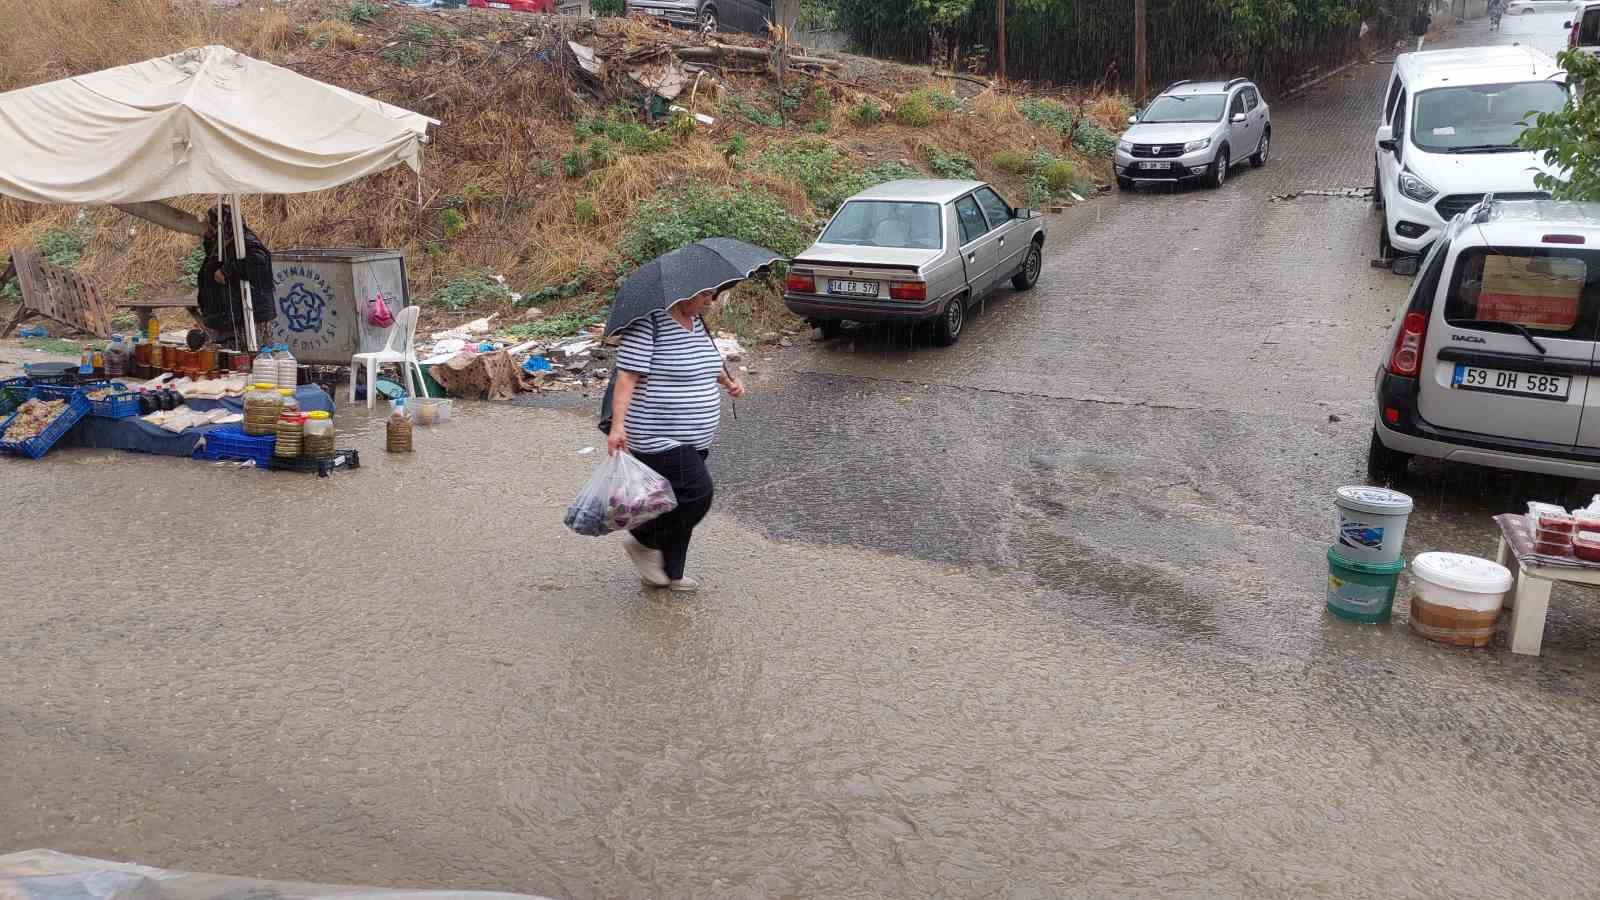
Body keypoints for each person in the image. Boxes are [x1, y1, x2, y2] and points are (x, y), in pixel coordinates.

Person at [606, 288, 745, 593]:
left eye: (714, 294)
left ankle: (672, 573)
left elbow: (707, 363)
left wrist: (729, 382)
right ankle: (643, 540)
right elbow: (627, 377)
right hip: (656, 435)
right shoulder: (649, 324)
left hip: (696, 438)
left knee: (676, 502)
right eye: (705, 295)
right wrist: (618, 426)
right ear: (684, 292)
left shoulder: (697, 323)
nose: (710, 301)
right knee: (698, 494)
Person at [194, 206, 276, 349]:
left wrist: (228, 270)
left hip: (248, 317)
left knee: (247, 360)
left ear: (222, 223)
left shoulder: (243, 239)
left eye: (210, 224)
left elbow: (259, 260)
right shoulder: (221, 242)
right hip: (229, 316)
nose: (207, 227)